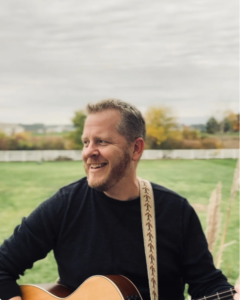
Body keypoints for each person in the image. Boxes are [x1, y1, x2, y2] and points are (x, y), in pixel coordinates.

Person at [0, 99, 239, 300]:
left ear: (136, 149)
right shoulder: (65, 205)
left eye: (101, 141)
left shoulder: (174, 211)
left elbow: (206, 284)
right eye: (86, 142)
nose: (89, 151)